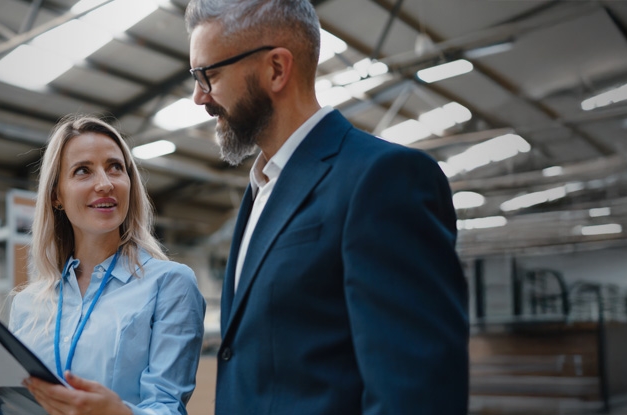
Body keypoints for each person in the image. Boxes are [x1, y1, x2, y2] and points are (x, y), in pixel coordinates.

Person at [185, 0, 469, 414]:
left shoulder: (382, 179)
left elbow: (416, 395)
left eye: (208, 75)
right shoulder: (261, 190)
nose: (198, 97)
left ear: (277, 69)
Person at [0, 115, 206, 415]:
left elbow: (167, 406)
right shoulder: (27, 303)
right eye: (83, 171)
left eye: (115, 168)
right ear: (57, 195)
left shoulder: (170, 284)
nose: (105, 183)